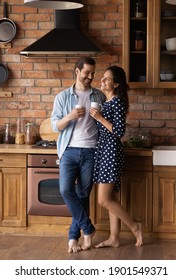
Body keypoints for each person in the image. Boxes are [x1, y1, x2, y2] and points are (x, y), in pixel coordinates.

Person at [51, 57, 105, 253]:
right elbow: (55, 125)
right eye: (87, 73)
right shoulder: (63, 97)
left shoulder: (99, 96)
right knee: (66, 190)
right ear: (77, 72)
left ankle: (74, 238)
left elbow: (104, 124)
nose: (90, 76)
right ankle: (88, 228)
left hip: (91, 151)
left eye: (93, 73)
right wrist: (71, 116)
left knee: (83, 195)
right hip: (69, 151)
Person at [90, 66, 143, 248]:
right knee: (110, 198)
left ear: (116, 83)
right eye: (103, 78)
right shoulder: (106, 102)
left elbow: (119, 131)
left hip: (111, 151)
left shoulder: (117, 101)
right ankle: (114, 238)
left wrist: (99, 118)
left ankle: (135, 227)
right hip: (104, 151)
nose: (103, 81)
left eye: (107, 79)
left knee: (103, 199)